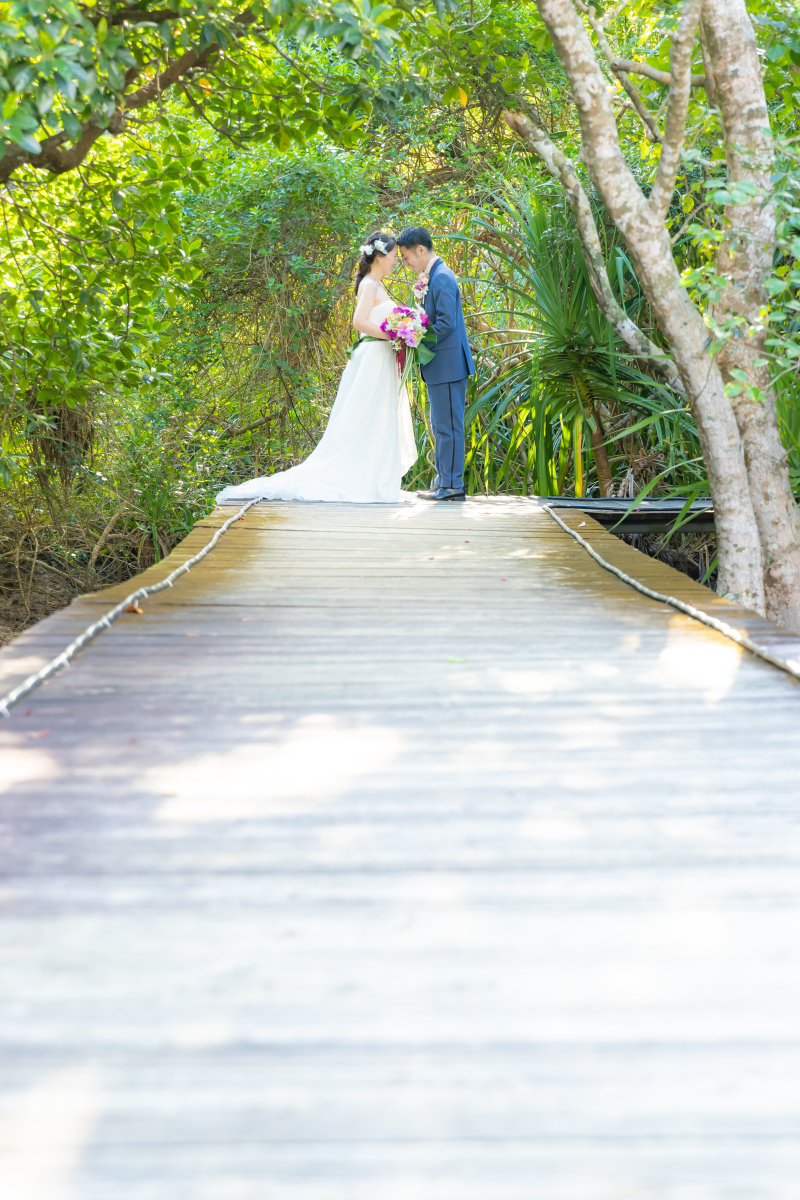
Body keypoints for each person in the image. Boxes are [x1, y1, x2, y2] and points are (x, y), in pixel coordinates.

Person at [215, 232, 417, 504]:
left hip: (380, 358)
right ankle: (362, 477)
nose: (396, 262)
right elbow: (359, 323)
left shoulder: (378, 285)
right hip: (372, 357)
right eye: (394, 257)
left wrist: (401, 331)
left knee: (377, 417)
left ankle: (374, 475)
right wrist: (394, 334)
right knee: (366, 416)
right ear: (381, 256)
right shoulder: (369, 285)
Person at [396, 226, 475, 501]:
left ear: (420, 249)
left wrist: (415, 336)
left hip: (449, 365)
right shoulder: (433, 276)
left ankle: (452, 485)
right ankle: (445, 482)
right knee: (441, 426)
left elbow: (446, 324)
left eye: (406, 258)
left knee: (449, 427)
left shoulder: (441, 277)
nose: (406, 264)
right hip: (441, 366)